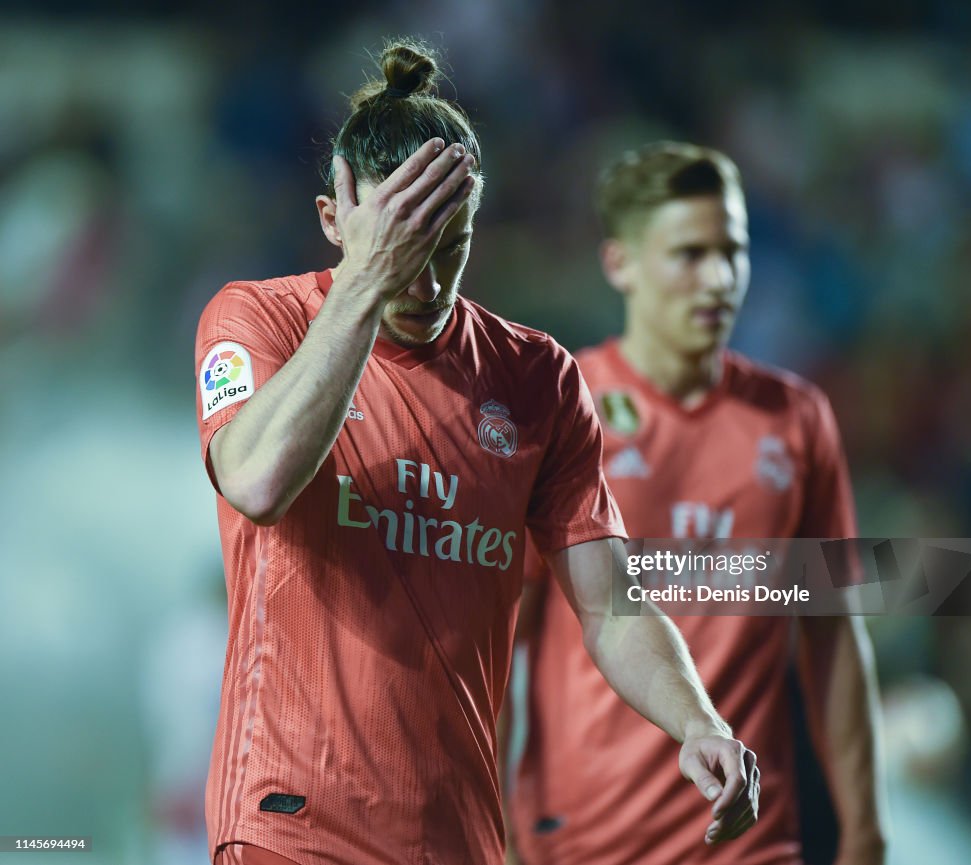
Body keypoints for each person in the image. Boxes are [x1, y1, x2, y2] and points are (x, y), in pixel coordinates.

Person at [194, 42, 758, 865]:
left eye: (450, 244)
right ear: (333, 221)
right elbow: (255, 478)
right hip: (292, 823)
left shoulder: (536, 378)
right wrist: (364, 278)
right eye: (405, 248)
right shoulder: (257, 322)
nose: (426, 285)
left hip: (457, 839)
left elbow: (608, 605)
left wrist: (698, 719)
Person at [507, 142, 888, 865]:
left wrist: (866, 833)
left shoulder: (795, 419)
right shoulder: (562, 408)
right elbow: (501, 640)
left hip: (750, 841)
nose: (718, 279)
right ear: (619, 263)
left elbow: (835, 639)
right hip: (583, 842)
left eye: (733, 251)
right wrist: (493, 832)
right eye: (689, 253)